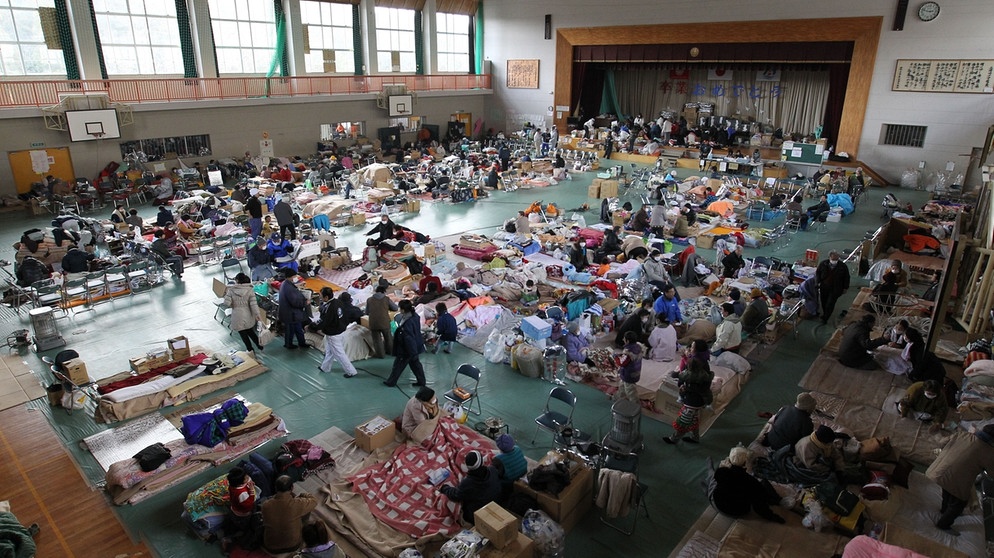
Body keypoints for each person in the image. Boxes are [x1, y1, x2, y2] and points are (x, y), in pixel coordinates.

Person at [926, 424, 994, 536]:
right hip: (955, 478)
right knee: (959, 503)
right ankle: (943, 524)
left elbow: (942, 442)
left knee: (948, 489)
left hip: (938, 471)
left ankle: (944, 510)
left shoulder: (963, 435)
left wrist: (936, 433)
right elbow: (992, 473)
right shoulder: (989, 452)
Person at [707, 447, 786, 523]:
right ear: (745, 463)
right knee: (762, 486)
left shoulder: (722, 472)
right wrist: (773, 517)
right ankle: (709, 478)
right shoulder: (750, 481)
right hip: (738, 511)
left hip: (719, 505)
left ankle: (709, 473)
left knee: (713, 480)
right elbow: (759, 506)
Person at [439, 450, 502, 524]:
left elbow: (455, 495)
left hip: (477, 514)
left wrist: (445, 488)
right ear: (482, 462)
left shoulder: (467, 483)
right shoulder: (492, 470)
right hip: (497, 504)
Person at [260, 475, 317, 554]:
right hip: (293, 545)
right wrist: (303, 495)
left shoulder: (265, 505)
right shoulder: (297, 504)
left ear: (276, 488)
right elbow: (314, 501)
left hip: (270, 546)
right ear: (292, 488)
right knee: (306, 509)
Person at [664, 356, 713, 444]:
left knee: (684, 421)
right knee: (693, 420)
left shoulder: (687, 376)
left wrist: (685, 388)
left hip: (691, 402)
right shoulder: (705, 376)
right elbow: (703, 389)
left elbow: (677, 378)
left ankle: (674, 439)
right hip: (699, 402)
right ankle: (695, 437)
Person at [315, 288, 360, 377]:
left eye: (321, 295)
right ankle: (325, 367)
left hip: (333, 333)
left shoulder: (329, 308)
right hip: (340, 329)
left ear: (326, 297)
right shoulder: (338, 302)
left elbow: (324, 321)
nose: (320, 297)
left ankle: (351, 371)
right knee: (330, 351)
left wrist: (312, 327)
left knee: (339, 353)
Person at [384, 299, 427, 387]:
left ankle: (391, 382)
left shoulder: (407, 323)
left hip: (407, 349)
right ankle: (421, 381)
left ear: (403, 309)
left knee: (398, 365)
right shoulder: (415, 316)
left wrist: (411, 351)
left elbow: (409, 339)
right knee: (416, 365)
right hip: (416, 345)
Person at [225, 273, 264, 356]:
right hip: (248, 314)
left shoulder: (231, 290)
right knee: (250, 331)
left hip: (237, 315)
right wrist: (257, 314)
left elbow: (227, 303)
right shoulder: (250, 290)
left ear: (238, 281)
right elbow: (253, 304)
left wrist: (232, 303)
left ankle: (250, 350)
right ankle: (260, 345)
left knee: (243, 333)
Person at [223, 467, 257, 552]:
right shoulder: (242, 494)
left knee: (233, 521)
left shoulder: (232, 485)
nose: (247, 478)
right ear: (240, 482)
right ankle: (234, 537)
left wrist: (249, 484)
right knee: (245, 527)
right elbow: (248, 505)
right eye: (245, 478)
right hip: (242, 515)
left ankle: (231, 530)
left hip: (234, 509)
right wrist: (252, 491)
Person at [815, 250, 850, 324]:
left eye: (836, 259)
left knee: (830, 303)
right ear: (829, 258)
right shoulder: (823, 264)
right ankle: (825, 313)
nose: (835, 261)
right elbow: (818, 273)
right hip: (824, 287)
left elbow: (847, 277)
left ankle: (825, 318)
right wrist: (817, 282)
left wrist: (845, 287)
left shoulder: (842, 266)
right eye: (833, 259)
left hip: (836, 288)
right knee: (823, 301)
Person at [277, 268, 308, 350]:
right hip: (291, 313)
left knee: (297, 329)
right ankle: (289, 344)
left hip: (290, 313)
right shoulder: (288, 288)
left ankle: (301, 343)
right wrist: (305, 303)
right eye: (295, 276)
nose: (296, 277)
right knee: (291, 330)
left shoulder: (285, 284)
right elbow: (295, 302)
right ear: (290, 276)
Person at [365, 284, 398, 358]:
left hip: (373, 323)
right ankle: (390, 351)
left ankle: (380, 355)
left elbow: (366, 312)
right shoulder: (386, 299)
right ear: (384, 292)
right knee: (388, 337)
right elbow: (395, 308)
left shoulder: (369, 300)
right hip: (384, 322)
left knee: (377, 340)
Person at [615, 331, 643, 403]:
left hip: (628, 375)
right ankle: (618, 399)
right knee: (622, 387)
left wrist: (616, 357)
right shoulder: (638, 347)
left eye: (624, 339)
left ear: (627, 341)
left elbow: (622, 362)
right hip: (635, 372)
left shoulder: (628, 352)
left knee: (631, 392)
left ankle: (635, 405)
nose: (622, 340)